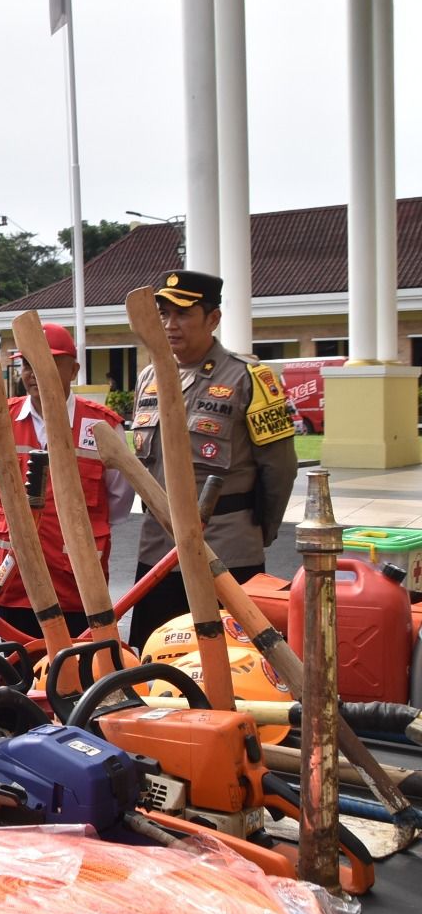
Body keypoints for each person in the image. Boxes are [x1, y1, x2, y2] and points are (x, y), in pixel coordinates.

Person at [128, 270, 297, 650]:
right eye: (164, 314)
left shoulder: (248, 378)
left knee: (232, 660)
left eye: (184, 314)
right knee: (156, 657)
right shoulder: (148, 377)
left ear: (213, 319)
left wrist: (259, 532)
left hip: (226, 546)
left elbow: (280, 469)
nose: (171, 325)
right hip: (159, 549)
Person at [0, 322, 133, 639]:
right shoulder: (0, 420)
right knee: (16, 674)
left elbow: (119, 501)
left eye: (47, 363)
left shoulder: (101, 425)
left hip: (78, 584)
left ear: (73, 369)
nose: (34, 373)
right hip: (15, 580)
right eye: (27, 364)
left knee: (79, 674)